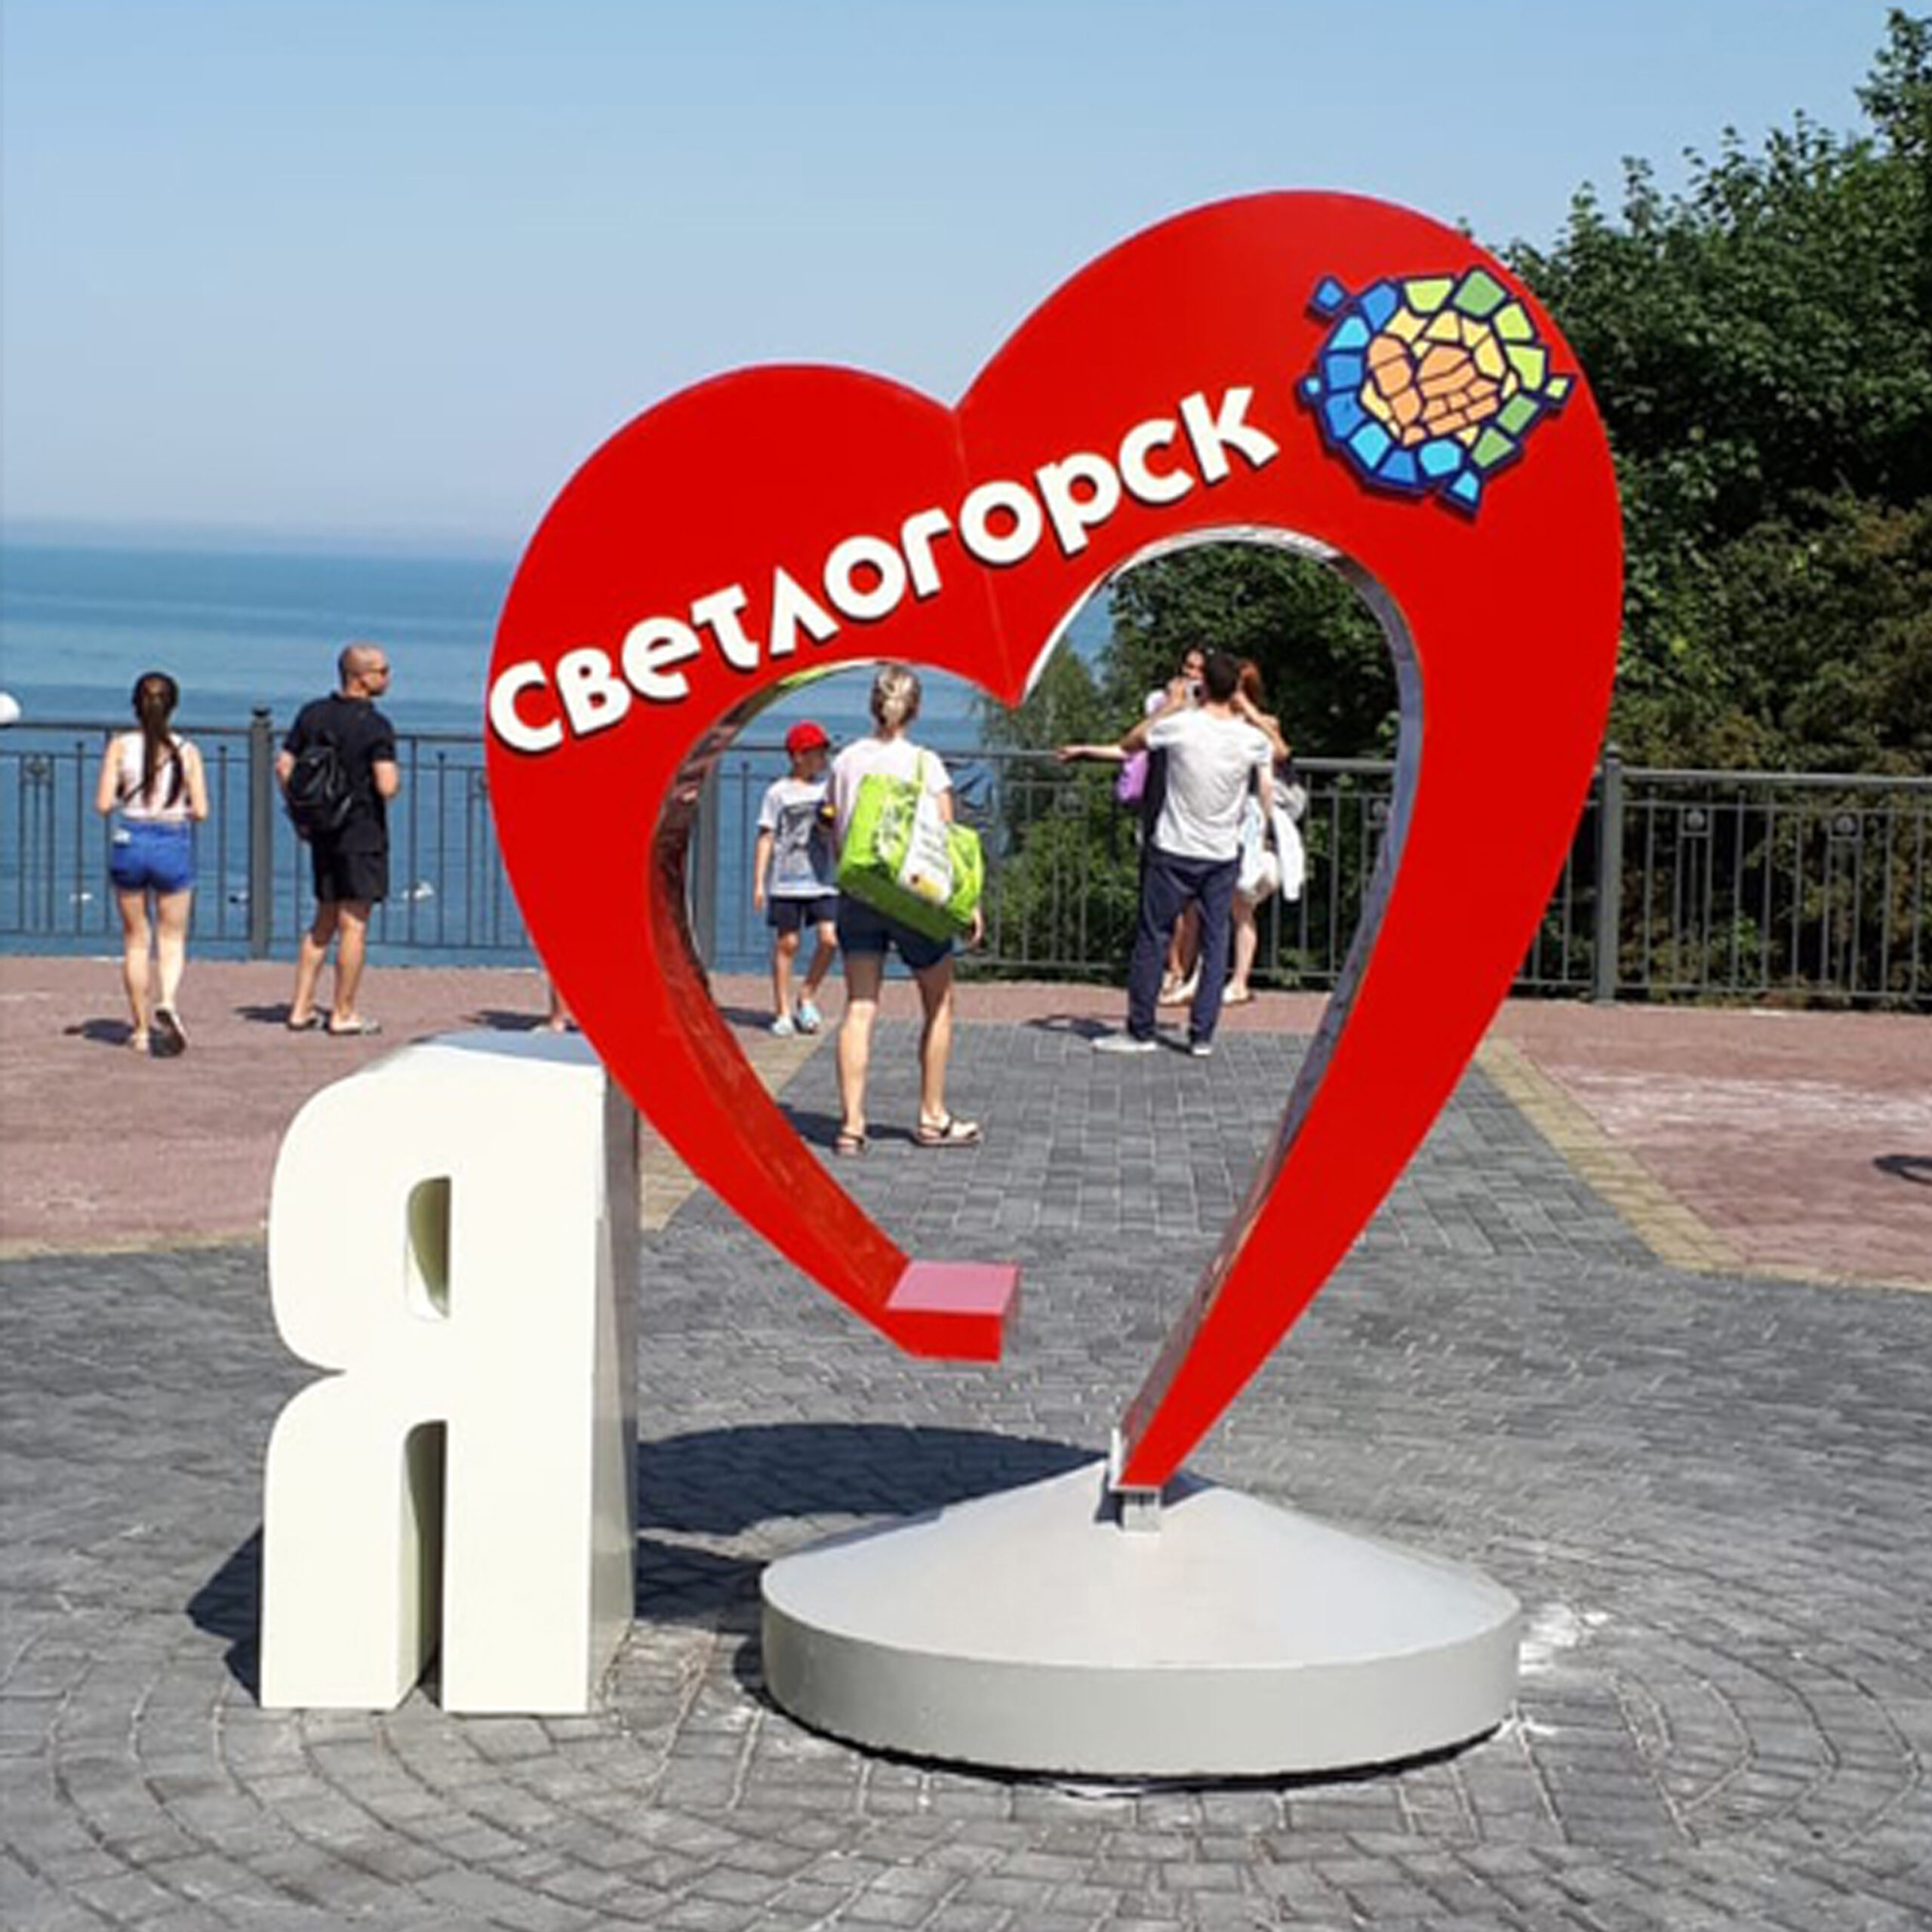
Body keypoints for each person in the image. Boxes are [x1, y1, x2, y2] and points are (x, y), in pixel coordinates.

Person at [826, 665, 982, 1155]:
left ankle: (852, 1125)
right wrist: (969, 906)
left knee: (859, 1007)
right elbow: (944, 845)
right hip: (913, 899)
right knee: (939, 1002)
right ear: (915, 709)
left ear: (873, 705)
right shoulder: (925, 764)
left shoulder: (845, 761)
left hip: (860, 894)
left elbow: (836, 830)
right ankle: (932, 1116)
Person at [1094, 649, 1275, 1058]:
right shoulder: (1250, 739)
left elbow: (1129, 744)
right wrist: (1247, 708)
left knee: (1153, 936)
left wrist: (1170, 706)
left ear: (1203, 685)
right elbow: (1278, 754)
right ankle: (1202, 1035)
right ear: (1235, 689)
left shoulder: (1180, 726)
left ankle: (1141, 1030)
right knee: (1215, 941)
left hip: (1174, 848)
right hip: (1221, 852)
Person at [278, 641, 398, 1036]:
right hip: (361, 831)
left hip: (323, 831)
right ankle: (343, 1011)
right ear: (360, 677)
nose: (388, 677)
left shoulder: (312, 714)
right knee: (354, 924)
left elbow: (284, 765)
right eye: (382, 671)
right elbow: (386, 784)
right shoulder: (375, 725)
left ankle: (300, 1007)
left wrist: (300, 814)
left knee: (323, 920)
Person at [94, 671, 208, 1055]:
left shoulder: (120, 746)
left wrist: (128, 795)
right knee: (171, 937)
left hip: (131, 840)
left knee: (135, 939)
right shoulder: (187, 751)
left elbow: (103, 804)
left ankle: (140, 1029)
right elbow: (201, 810)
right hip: (171, 841)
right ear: (173, 706)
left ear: (135, 705)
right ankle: (168, 1001)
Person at [752, 720, 839, 1036]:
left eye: (824, 753)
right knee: (788, 943)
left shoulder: (827, 789)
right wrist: (759, 882)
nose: (823, 759)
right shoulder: (778, 793)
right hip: (787, 880)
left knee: (830, 939)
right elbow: (766, 836)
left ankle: (807, 995)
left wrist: (829, 826)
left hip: (822, 878)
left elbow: (837, 827)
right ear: (798, 756)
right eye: (817, 753)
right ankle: (783, 1010)